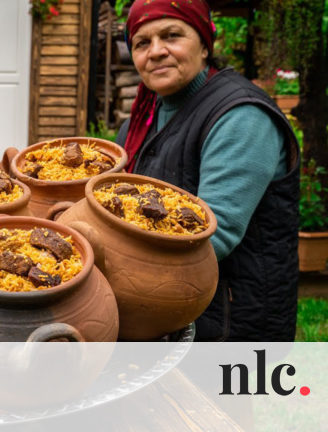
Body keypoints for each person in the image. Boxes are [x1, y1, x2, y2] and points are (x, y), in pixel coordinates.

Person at [115, 0, 300, 341]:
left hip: (228, 320)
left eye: (172, 35)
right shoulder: (140, 122)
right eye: (142, 43)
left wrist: (105, 258)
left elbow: (215, 235)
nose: (156, 52)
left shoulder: (240, 116)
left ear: (204, 45)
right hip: (165, 310)